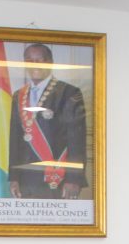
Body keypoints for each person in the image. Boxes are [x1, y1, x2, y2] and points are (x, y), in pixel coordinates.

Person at [8, 43, 87, 201]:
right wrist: (14, 177)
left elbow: (76, 140)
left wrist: (73, 179)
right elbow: (15, 139)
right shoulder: (18, 95)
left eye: (40, 60)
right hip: (26, 178)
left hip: (58, 177)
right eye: (29, 60)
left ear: (50, 62)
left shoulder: (69, 93)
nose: (34, 65)